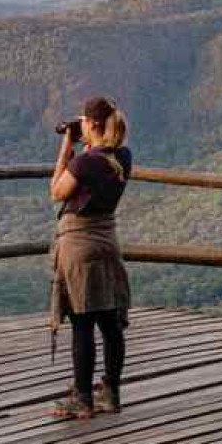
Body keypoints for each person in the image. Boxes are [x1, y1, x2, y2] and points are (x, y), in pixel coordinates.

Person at [48, 95, 132, 421]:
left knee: (82, 322)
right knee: (110, 323)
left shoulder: (84, 163)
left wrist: (66, 145)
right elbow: (98, 166)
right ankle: (111, 392)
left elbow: (57, 191)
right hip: (107, 243)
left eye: (83, 120)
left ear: (90, 124)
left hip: (79, 247)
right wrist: (87, 143)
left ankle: (82, 398)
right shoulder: (123, 156)